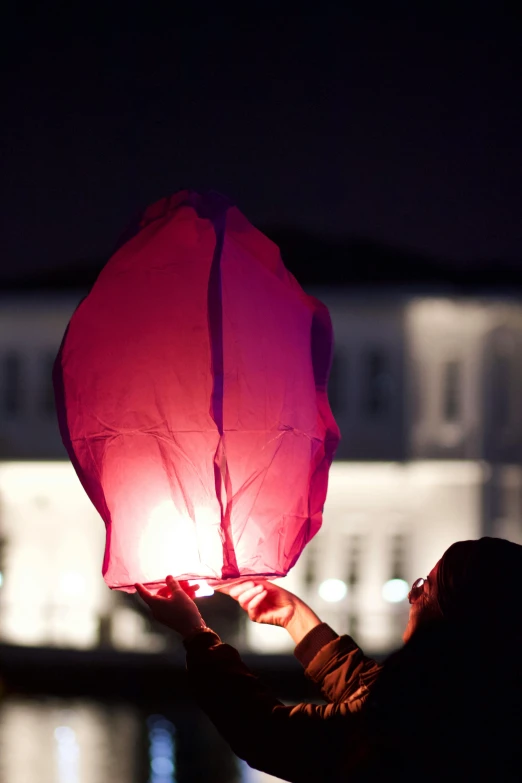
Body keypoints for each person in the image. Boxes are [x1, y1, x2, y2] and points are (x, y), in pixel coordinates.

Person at [136, 537, 522, 782]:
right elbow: (368, 693)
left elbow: (268, 735)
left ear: (455, 614)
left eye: (426, 586)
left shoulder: (425, 718)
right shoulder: (482, 696)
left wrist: (196, 635)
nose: (412, 595)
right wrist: (292, 614)